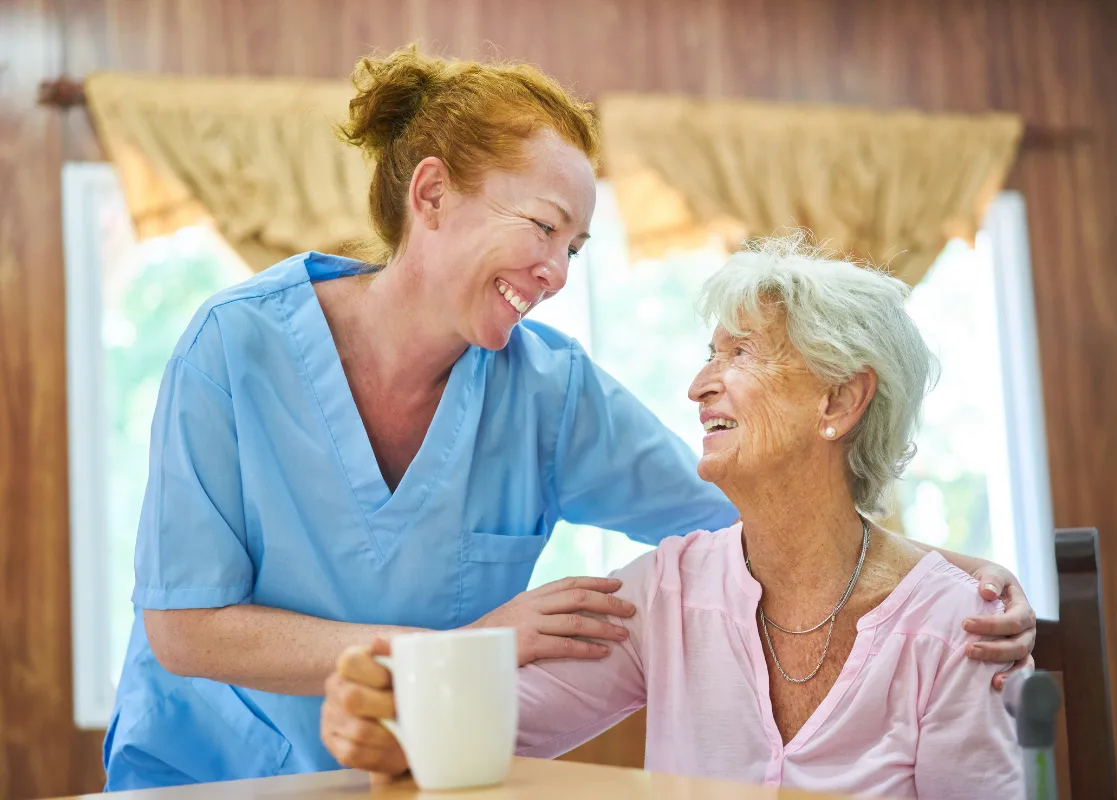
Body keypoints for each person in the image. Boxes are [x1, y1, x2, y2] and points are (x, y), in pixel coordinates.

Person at [104, 46, 1034, 791]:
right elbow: (187, 629)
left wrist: (953, 579)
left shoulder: (548, 389)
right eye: (543, 228)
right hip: (211, 773)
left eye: (576, 247)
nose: (556, 271)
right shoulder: (234, 348)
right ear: (430, 196)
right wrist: (466, 649)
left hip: (423, 780)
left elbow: (761, 511)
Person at [322, 236, 1026, 797]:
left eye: (741, 353)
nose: (697, 386)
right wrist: (384, 720)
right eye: (708, 354)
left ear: (839, 402)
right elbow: (476, 728)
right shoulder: (666, 592)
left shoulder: (957, 630)